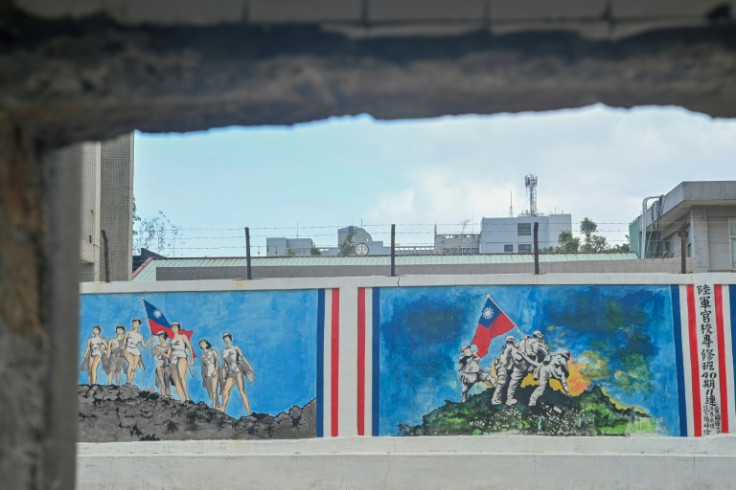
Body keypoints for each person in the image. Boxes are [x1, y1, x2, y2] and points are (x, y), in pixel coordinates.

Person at [506, 330, 547, 406]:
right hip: (530, 364)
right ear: (536, 337)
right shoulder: (537, 344)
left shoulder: (522, 341)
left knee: (514, 381)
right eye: (539, 337)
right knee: (542, 378)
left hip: (521, 363)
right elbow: (545, 353)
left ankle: (509, 399)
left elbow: (515, 348)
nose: (541, 339)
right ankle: (535, 398)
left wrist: (526, 340)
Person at [220, 332, 255, 414]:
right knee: (225, 391)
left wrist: (250, 367)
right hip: (230, 372)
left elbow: (242, 358)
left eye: (227, 338)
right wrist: (224, 377)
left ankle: (248, 412)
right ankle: (223, 408)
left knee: (241, 391)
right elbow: (223, 366)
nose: (226, 339)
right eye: (225, 338)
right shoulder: (222, 352)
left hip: (238, 370)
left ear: (230, 339)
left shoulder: (235, 347)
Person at [169, 321, 195, 402]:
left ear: (178, 328)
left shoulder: (183, 336)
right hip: (173, 359)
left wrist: (191, 359)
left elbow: (190, 348)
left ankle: (187, 397)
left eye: (176, 327)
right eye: (173, 327)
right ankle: (181, 399)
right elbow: (168, 354)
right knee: (176, 379)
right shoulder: (171, 341)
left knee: (181, 376)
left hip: (181, 356)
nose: (174, 328)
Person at [122, 318, 152, 386]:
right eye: (133, 322)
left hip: (136, 351)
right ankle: (128, 380)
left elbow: (144, 346)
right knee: (131, 363)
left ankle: (129, 382)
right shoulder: (128, 332)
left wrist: (150, 339)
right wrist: (123, 346)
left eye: (136, 323)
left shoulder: (140, 336)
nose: (134, 324)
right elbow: (124, 341)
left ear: (139, 325)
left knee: (134, 367)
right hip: (128, 349)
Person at [491, 335, 518, 405]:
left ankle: (497, 399)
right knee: (501, 384)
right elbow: (516, 358)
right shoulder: (511, 348)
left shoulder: (504, 348)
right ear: (512, 341)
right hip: (503, 368)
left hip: (501, 368)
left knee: (502, 384)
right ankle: (494, 399)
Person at [199, 339, 220, 409]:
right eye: (201, 343)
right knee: (210, 392)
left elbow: (217, 360)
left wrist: (216, 370)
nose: (202, 343)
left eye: (203, 342)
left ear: (207, 344)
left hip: (213, 370)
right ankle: (217, 405)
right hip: (206, 374)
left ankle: (214, 406)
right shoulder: (201, 357)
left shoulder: (212, 351)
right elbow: (202, 368)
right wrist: (203, 379)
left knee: (214, 391)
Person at [151, 331, 174, 397]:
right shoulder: (157, 346)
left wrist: (160, 351)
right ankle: (163, 394)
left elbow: (168, 356)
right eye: (159, 337)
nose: (159, 338)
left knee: (167, 380)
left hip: (167, 364)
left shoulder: (168, 346)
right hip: (160, 364)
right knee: (162, 381)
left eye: (161, 336)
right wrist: (152, 345)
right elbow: (153, 354)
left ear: (164, 337)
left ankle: (168, 394)